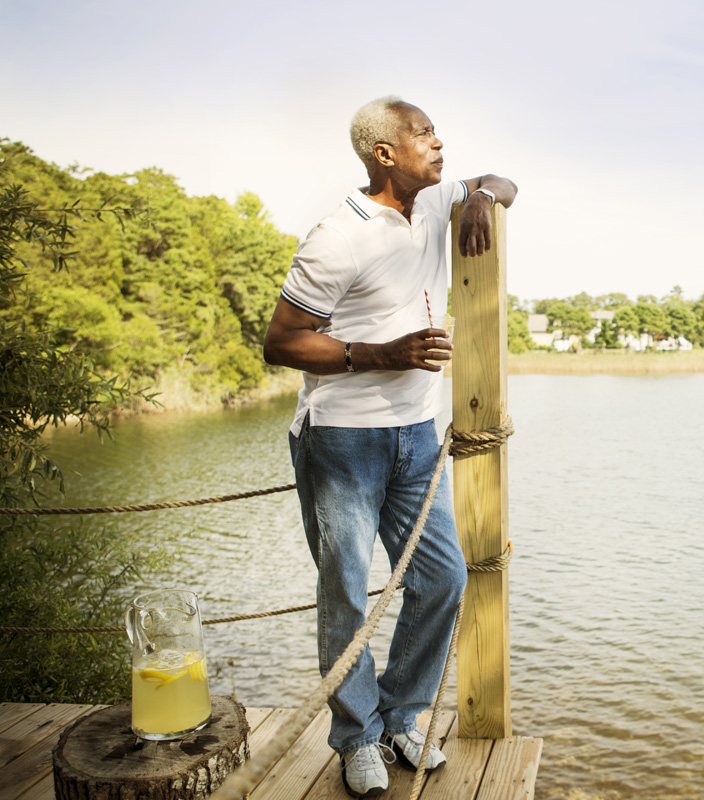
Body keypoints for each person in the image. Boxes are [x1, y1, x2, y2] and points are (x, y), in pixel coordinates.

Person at [263, 96, 517, 798]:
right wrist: (382, 353)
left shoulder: (437, 204)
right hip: (342, 440)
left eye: (437, 131)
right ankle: (356, 739)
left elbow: (506, 182)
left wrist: (478, 204)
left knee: (443, 580)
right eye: (423, 134)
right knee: (346, 595)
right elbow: (281, 343)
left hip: (417, 438)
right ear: (384, 154)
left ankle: (403, 716)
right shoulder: (335, 237)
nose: (439, 143)